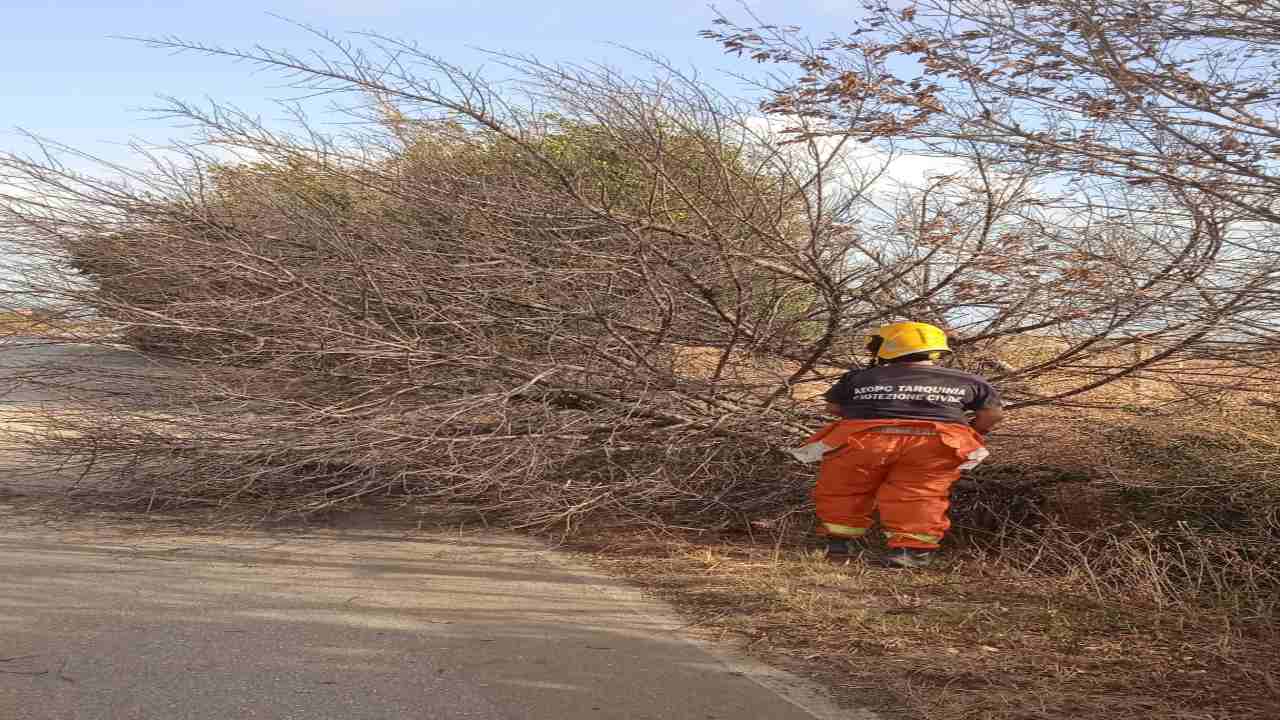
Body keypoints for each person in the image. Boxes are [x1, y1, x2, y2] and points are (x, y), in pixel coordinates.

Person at [790, 321, 1003, 569]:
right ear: (936, 351)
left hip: (865, 441)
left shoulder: (859, 377)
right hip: (936, 445)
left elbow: (834, 407)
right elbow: (993, 414)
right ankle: (910, 553)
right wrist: (975, 431)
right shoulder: (971, 381)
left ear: (886, 348)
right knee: (920, 495)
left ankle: (838, 548)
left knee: (845, 490)